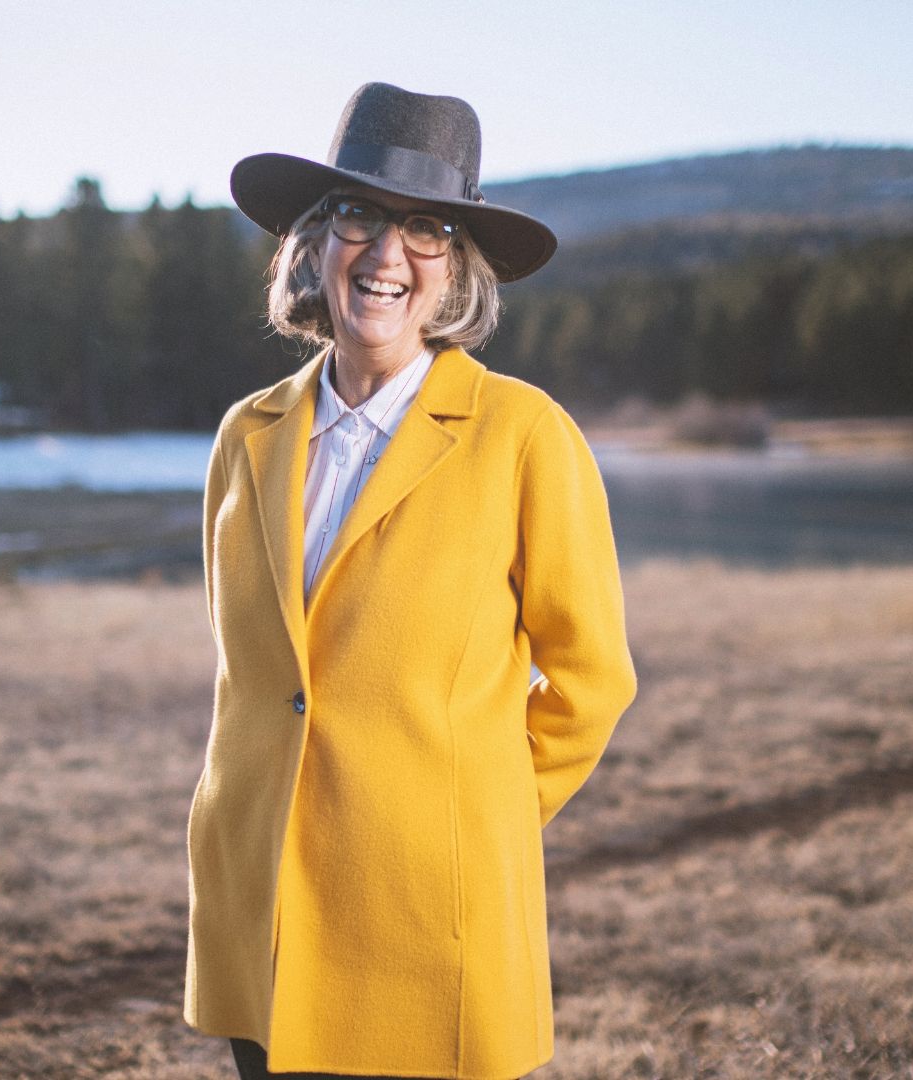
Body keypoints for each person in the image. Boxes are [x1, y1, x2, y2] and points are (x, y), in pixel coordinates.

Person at [185, 82, 637, 1080]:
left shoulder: (525, 437)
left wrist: (471, 820)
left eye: (426, 229)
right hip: (262, 912)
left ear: (457, 269)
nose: (387, 254)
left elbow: (592, 682)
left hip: (430, 928)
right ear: (315, 241)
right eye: (359, 216)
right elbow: (252, 675)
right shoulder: (246, 436)